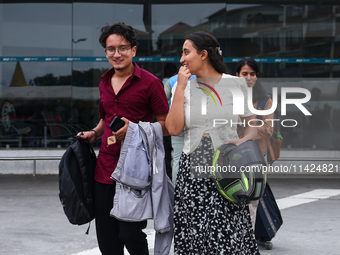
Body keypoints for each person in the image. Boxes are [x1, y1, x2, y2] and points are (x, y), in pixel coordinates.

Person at [78, 22, 169, 255]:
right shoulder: (104, 82)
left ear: (134, 50)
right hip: (105, 169)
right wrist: (94, 133)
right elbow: (104, 119)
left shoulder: (151, 83)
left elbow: (167, 125)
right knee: (107, 239)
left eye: (123, 48)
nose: (117, 54)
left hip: (134, 172)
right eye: (111, 49)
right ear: (106, 52)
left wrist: (136, 130)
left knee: (130, 235)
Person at [165, 31, 260, 254]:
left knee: (225, 232)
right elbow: (173, 129)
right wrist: (179, 87)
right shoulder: (184, 88)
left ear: (204, 54)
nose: (182, 59)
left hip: (228, 166)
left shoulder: (236, 84)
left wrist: (241, 143)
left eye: (186, 52)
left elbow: (252, 126)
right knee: (195, 232)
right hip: (192, 169)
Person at [236, 57, 274, 230]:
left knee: (252, 203)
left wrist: (246, 126)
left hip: (256, 155)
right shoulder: (230, 98)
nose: (249, 77)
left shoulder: (265, 100)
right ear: (237, 75)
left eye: (252, 74)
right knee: (233, 199)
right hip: (233, 156)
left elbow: (268, 129)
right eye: (244, 74)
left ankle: (247, 242)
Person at [162, 63, 178, 180]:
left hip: (163, 124)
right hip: (175, 124)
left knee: (167, 156)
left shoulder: (160, 83)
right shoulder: (175, 82)